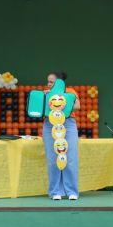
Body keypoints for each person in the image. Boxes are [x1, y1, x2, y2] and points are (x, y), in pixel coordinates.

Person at [42, 72, 80, 200]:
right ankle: (55, 191)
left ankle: (72, 191)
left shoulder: (70, 91)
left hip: (68, 123)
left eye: (51, 82)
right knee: (53, 158)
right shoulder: (46, 93)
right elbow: (39, 108)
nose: (48, 84)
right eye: (48, 81)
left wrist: (63, 103)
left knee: (70, 157)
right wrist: (44, 99)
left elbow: (77, 106)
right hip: (50, 124)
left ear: (59, 82)